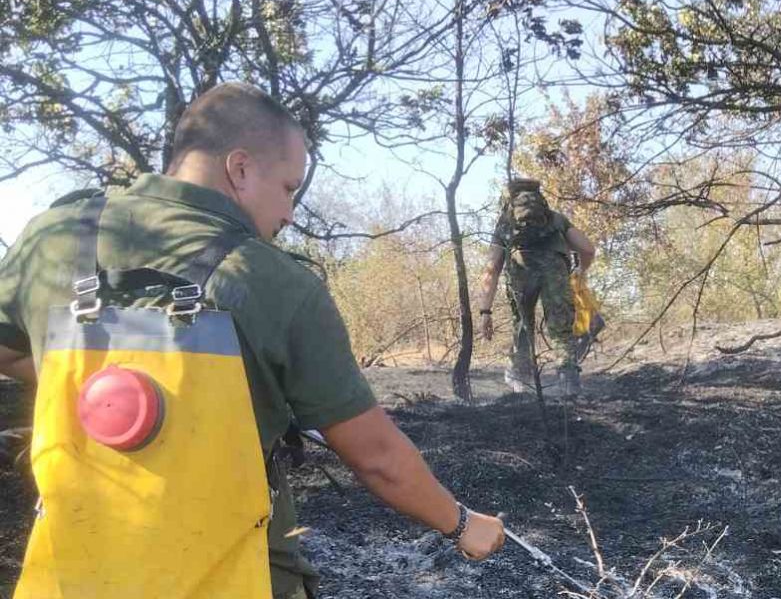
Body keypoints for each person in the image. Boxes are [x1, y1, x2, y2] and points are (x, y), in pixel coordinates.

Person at [0, 82, 504, 599]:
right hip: (232, 577)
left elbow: (9, 352)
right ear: (240, 168)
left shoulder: (54, 237)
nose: (289, 213)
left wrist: (109, 384)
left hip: (72, 577)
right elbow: (376, 455)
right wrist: (463, 525)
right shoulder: (271, 280)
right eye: (288, 187)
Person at [478, 178, 596, 397]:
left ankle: (521, 384)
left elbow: (491, 268)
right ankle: (568, 383)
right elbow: (587, 249)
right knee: (561, 328)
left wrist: (485, 311)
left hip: (520, 273)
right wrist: (581, 270)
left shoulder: (505, 223)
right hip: (556, 274)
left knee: (522, 324)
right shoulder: (556, 220)